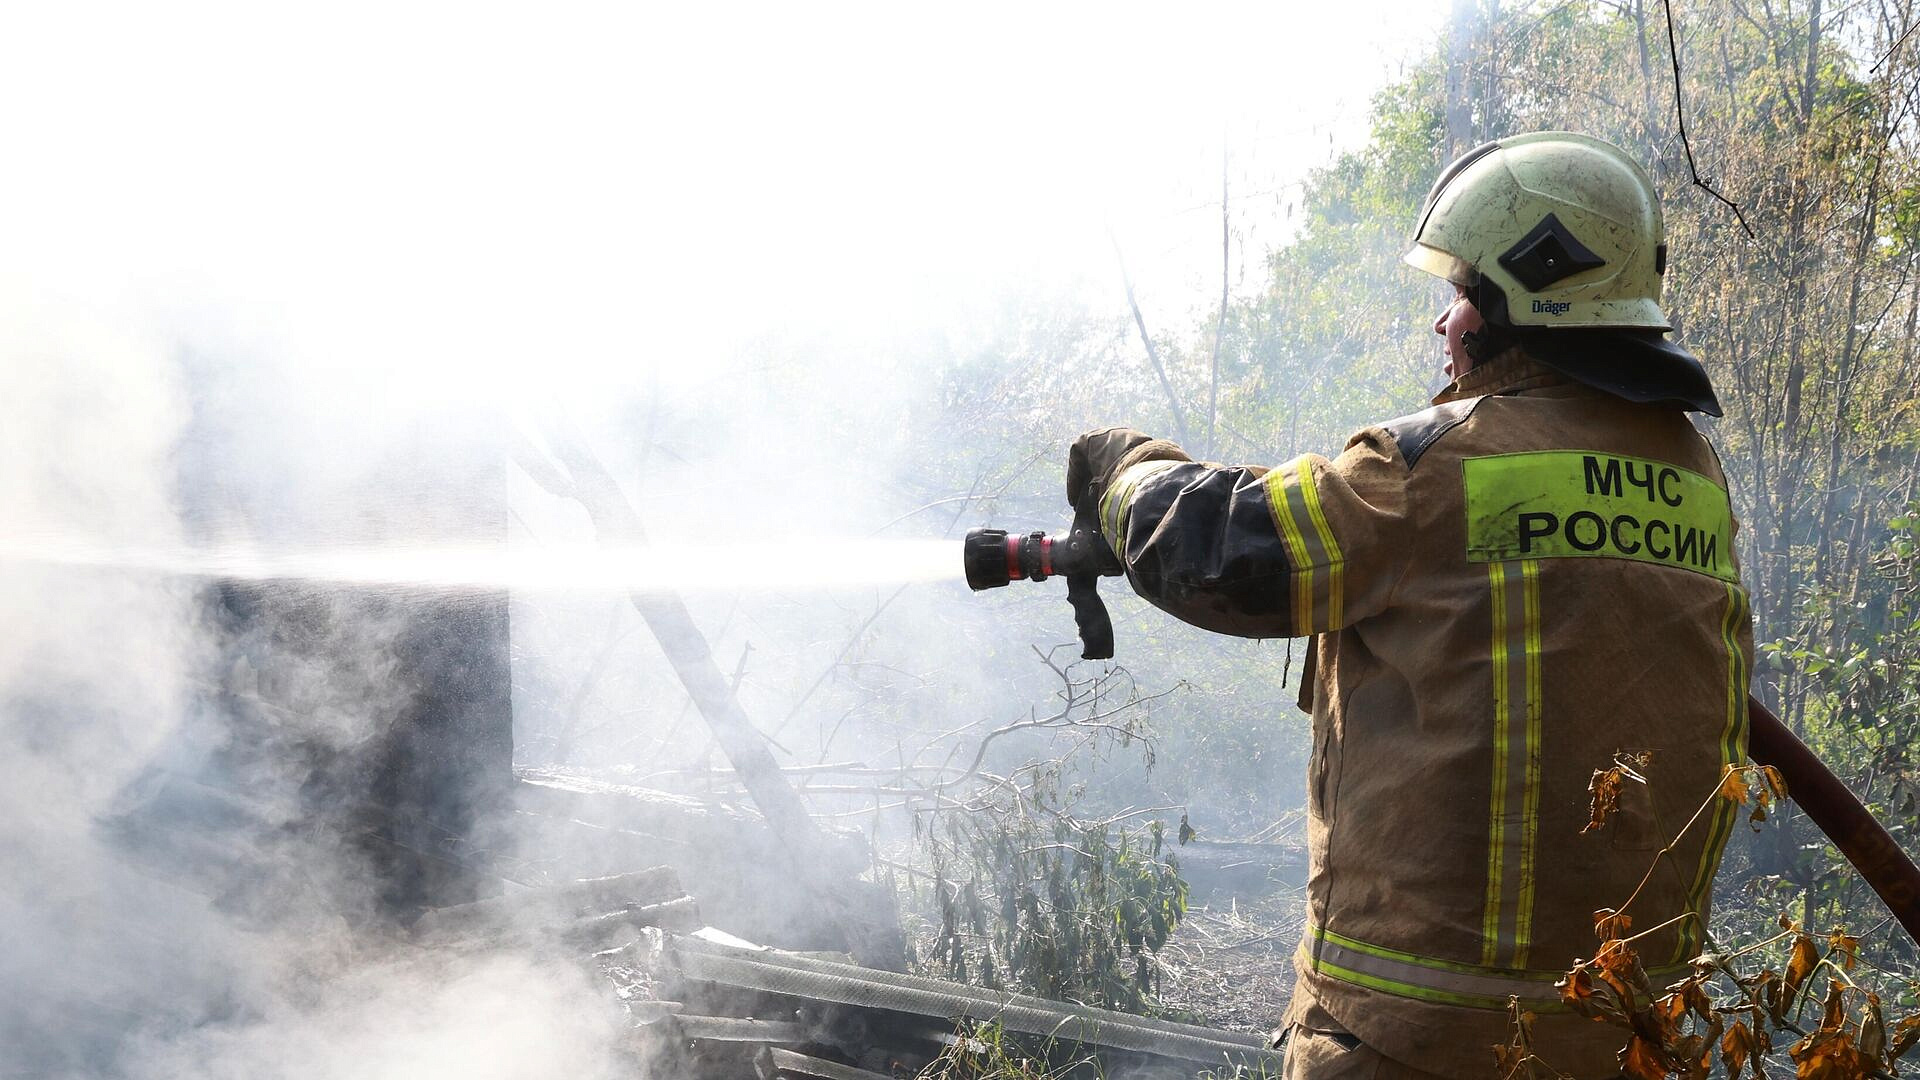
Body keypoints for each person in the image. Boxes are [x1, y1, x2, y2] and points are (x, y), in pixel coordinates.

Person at [1068, 132, 1752, 1079]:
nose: (1445, 326)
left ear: (1526, 296)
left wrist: (1122, 469)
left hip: (1415, 1038)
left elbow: (1217, 548)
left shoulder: (1439, 465)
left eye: (1462, 293)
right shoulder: (1694, 477)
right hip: (1624, 1037)